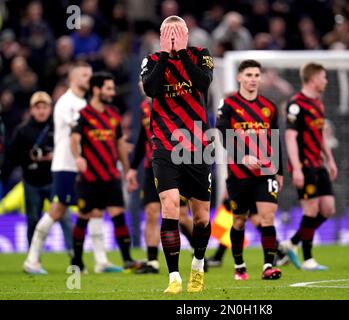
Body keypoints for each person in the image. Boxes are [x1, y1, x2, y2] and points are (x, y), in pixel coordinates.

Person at [141, 15, 213, 294]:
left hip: (196, 144)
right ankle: (174, 277)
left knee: (201, 218)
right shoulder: (151, 60)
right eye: (166, 33)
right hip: (164, 143)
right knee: (169, 206)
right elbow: (151, 88)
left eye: (177, 32)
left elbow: (202, 83)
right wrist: (163, 54)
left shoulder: (200, 55)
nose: (172, 37)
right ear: (160, 35)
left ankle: (197, 265)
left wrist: (181, 52)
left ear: (186, 33)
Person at [23, 62, 107, 275]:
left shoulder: (82, 102)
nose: (89, 78)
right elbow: (78, 134)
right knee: (57, 210)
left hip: (83, 166)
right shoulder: (66, 103)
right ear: (74, 78)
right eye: (85, 75)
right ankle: (32, 260)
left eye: (90, 74)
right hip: (66, 165)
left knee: (95, 208)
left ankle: (101, 261)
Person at [216, 59, 283, 280]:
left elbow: (275, 140)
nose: (253, 79)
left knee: (268, 217)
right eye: (248, 75)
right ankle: (239, 265)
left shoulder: (270, 106)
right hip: (238, 172)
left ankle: (268, 267)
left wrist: (279, 170)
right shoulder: (228, 104)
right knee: (239, 220)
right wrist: (242, 156)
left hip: (265, 171)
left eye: (256, 75)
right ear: (239, 78)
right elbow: (224, 134)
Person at [70, 72, 140, 273]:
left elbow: (119, 145)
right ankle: (76, 261)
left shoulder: (114, 114)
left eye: (113, 88)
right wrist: (78, 157)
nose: (113, 92)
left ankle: (127, 259)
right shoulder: (83, 116)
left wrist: (128, 172)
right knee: (84, 217)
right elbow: (73, 140)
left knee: (118, 215)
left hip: (110, 177)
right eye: (109, 88)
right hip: (89, 178)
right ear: (96, 90)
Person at [126, 84, 199, 274]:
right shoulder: (144, 107)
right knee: (151, 212)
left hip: (176, 164)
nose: (143, 84)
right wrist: (133, 168)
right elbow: (144, 136)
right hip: (152, 166)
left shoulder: (174, 101)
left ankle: (198, 252)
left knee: (181, 216)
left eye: (146, 79)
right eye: (141, 80)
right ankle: (152, 262)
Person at [281, 62, 338, 271]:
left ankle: (291, 243)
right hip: (304, 165)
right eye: (323, 77)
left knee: (328, 208)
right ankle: (307, 259)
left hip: (318, 163)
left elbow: (320, 134)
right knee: (311, 210)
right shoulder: (296, 103)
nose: (326, 81)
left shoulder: (318, 103)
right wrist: (296, 167)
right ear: (313, 79)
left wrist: (329, 158)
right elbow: (290, 137)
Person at [7, 92, 72, 250]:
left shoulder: (58, 128)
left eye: (44, 107)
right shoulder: (22, 131)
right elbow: (11, 157)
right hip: (32, 182)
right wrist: (29, 156)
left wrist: (56, 155)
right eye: (38, 107)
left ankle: (74, 254)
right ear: (31, 110)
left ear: (50, 109)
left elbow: (71, 149)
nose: (41, 111)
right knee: (33, 220)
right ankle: (33, 257)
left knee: (65, 219)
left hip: (55, 181)